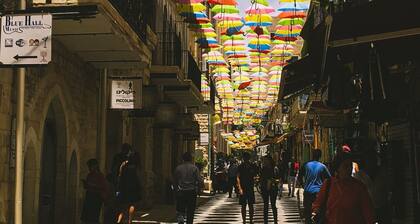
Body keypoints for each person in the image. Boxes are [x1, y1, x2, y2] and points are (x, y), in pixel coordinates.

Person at [312, 151, 376, 224]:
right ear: (338, 168)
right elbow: (318, 203)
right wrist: (316, 211)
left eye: (350, 166)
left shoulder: (359, 187)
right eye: (345, 166)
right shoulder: (328, 184)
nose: (349, 169)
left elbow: (368, 212)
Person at [297, 149, 331, 224]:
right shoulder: (323, 167)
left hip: (307, 192)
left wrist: (303, 185)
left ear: (312, 155)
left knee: (308, 214)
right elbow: (329, 180)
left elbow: (299, 177)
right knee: (319, 214)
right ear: (320, 156)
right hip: (319, 193)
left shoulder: (306, 165)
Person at [174, 152, 203, 224]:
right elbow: (199, 180)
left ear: (183, 159)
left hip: (181, 191)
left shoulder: (179, 168)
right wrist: (199, 190)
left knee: (180, 209)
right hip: (191, 192)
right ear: (190, 159)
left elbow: (175, 180)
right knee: (190, 210)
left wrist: (175, 190)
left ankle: (181, 220)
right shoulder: (194, 168)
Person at [116, 146, 141, 224]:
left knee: (123, 206)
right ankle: (130, 221)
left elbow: (119, 176)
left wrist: (118, 187)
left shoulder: (123, 165)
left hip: (124, 186)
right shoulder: (136, 166)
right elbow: (139, 177)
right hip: (133, 187)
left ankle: (119, 221)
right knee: (132, 204)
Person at [81, 159, 109, 224]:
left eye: (90, 166)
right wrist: (86, 184)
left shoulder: (100, 175)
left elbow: (103, 187)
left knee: (93, 217)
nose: (89, 168)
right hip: (89, 196)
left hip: (96, 198)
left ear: (95, 166)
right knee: (86, 217)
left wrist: (92, 185)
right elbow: (87, 187)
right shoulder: (89, 175)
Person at [237, 152, 258, 224]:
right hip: (244, 187)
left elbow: (256, 174)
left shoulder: (252, 166)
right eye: (245, 158)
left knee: (250, 204)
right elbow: (238, 177)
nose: (246, 159)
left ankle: (250, 220)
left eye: (246, 158)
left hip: (249, 187)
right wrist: (240, 188)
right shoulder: (240, 166)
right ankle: (244, 221)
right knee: (244, 205)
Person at [260, 155, 278, 224]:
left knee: (273, 205)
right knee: (266, 205)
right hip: (265, 188)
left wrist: (273, 180)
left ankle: (275, 221)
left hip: (273, 188)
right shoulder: (263, 169)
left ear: (269, 160)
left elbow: (279, 179)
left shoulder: (275, 168)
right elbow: (261, 179)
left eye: (265, 160)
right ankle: (265, 221)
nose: (264, 161)